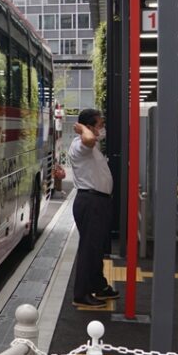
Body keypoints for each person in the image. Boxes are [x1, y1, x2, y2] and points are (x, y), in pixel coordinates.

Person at [69, 108, 118, 308]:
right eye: (100, 125)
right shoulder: (80, 144)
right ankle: (81, 294)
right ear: (89, 127)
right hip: (90, 202)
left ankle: (99, 285)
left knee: (97, 248)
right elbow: (87, 140)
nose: (103, 129)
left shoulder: (93, 147)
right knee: (89, 249)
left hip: (99, 202)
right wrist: (81, 128)